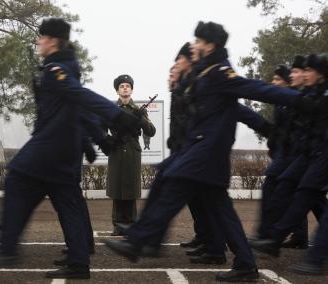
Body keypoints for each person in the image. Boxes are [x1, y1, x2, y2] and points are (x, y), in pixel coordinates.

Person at [104, 21, 307, 282]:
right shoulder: (206, 72)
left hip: (207, 152)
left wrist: (299, 100)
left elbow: (254, 91)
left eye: (199, 41)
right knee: (221, 211)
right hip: (200, 151)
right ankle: (245, 264)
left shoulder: (221, 73)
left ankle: (143, 239)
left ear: (209, 45)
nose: (195, 46)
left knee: (173, 184)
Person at [0, 18, 140, 280]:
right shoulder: (63, 68)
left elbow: (80, 96)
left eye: (41, 37)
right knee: (69, 205)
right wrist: (98, 140)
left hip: (49, 146)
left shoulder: (57, 70)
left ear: (52, 40)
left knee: (17, 178)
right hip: (64, 151)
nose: (37, 41)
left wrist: (117, 117)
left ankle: (7, 246)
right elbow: (77, 109)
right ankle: (78, 262)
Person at [251, 53, 328, 257]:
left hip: (314, 155)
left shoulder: (313, 97)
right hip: (304, 154)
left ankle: (275, 238)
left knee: (304, 195)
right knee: (292, 190)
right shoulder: (308, 94)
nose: (300, 74)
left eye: (305, 70)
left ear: (319, 74)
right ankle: (273, 237)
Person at [107, 74, 156, 236]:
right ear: (117, 90)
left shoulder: (138, 110)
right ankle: (118, 223)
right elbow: (103, 128)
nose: (125, 88)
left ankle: (131, 222)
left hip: (132, 150)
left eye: (128, 85)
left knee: (130, 187)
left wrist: (141, 119)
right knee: (117, 186)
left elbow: (151, 131)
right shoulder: (112, 109)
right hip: (117, 150)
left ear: (132, 89)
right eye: (122, 86)